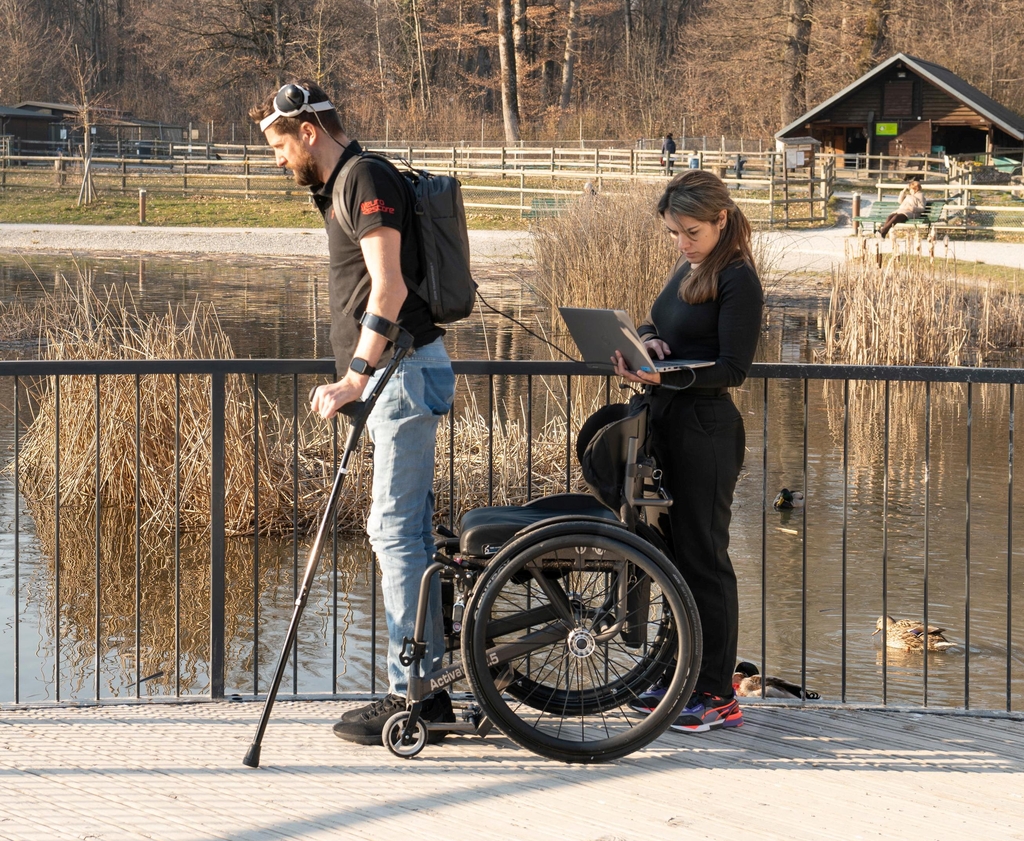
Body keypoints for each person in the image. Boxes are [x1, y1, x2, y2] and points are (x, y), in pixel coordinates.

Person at [249, 81, 456, 745]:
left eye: (279, 145)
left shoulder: (364, 178)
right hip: (396, 377)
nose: (277, 159)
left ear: (309, 130)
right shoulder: (344, 181)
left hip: (399, 372)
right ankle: (425, 686)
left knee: (394, 530)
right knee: (407, 532)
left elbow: (390, 286)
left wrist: (352, 377)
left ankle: (414, 695)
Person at [614, 169, 763, 733]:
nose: (681, 242)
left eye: (691, 231)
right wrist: (649, 340)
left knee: (706, 561)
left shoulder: (738, 278)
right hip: (670, 425)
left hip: (707, 431)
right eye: (675, 232)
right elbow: (660, 317)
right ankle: (681, 678)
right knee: (675, 561)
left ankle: (717, 694)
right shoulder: (691, 266)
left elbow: (733, 369)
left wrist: (663, 378)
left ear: (721, 220)